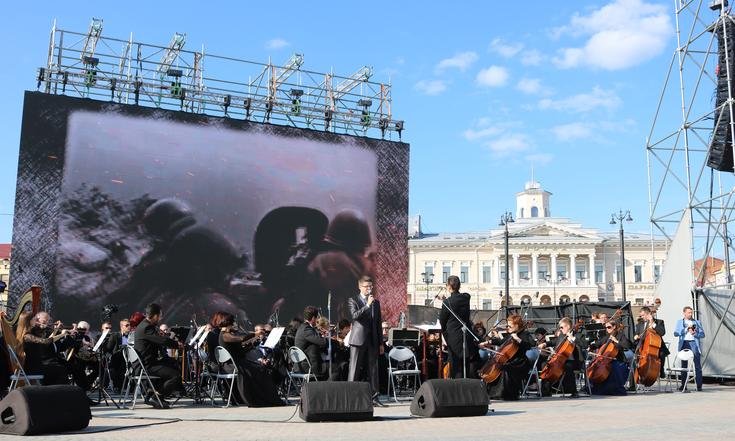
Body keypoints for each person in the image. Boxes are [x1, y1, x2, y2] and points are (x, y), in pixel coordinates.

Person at [218, 312, 284, 407]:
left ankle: (266, 397)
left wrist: (252, 344)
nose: (234, 325)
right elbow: (241, 338)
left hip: (238, 362)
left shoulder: (228, 334)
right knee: (261, 369)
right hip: (234, 365)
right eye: (233, 323)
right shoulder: (225, 335)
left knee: (262, 368)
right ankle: (262, 398)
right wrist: (255, 334)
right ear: (229, 323)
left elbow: (240, 351)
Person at [133, 303, 182, 408]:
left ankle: (154, 393)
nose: (161, 317)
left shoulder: (144, 325)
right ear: (154, 315)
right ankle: (156, 396)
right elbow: (162, 340)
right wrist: (177, 344)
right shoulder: (147, 327)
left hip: (146, 362)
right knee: (176, 375)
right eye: (160, 315)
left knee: (171, 364)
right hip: (145, 366)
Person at [479, 314, 535, 400]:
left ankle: (505, 394)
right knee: (500, 366)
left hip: (520, 363)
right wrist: (487, 343)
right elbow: (500, 341)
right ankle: (492, 393)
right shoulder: (510, 334)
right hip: (509, 361)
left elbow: (530, 345)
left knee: (504, 368)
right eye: (507, 325)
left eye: (510, 326)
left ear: (517, 325)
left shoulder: (524, 334)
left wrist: (518, 339)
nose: (507, 327)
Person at [347, 276, 383, 401]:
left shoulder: (376, 302)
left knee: (373, 369)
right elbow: (354, 316)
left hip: (372, 340)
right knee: (354, 368)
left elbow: (378, 323)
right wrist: (367, 306)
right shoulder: (353, 300)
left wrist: (381, 343)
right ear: (360, 287)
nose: (369, 289)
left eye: (371, 286)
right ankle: (350, 397)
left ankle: (375, 397)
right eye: (366, 286)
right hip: (358, 339)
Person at [439, 275, 478, 379]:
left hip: (453, 337)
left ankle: (457, 389)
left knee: (455, 365)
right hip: (466, 335)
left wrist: (444, 335)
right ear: (459, 286)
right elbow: (464, 296)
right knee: (465, 363)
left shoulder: (447, 302)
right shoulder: (466, 298)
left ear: (448, 286)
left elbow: (442, 321)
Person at [22, 312, 73, 385]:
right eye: (34, 319)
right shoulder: (27, 336)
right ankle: (59, 393)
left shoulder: (32, 332)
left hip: (37, 365)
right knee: (60, 370)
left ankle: (57, 392)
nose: (36, 321)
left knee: (61, 368)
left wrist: (56, 330)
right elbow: (46, 341)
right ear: (29, 321)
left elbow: (47, 341)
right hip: (33, 368)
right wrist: (62, 334)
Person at [538, 317, 584, 398]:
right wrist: (545, 344)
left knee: (568, 367)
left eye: (562, 327)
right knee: (546, 365)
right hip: (561, 360)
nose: (560, 329)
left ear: (568, 326)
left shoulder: (578, 335)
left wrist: (573, 339)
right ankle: (546, 390)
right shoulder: (562, 335)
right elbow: (554, 341)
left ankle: (573, 391)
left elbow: (584, 345)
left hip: (574, 361)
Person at [589, 319, 632, 396]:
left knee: (614, 367)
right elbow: (598, 343)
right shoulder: (607, 337)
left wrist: (616, 341)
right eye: (606, 327)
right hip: (606, 360)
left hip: (618, 359)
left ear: (614, 327)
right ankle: (595, 387)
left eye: (609, 327)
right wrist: (591, 346)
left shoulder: (620, 335)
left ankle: (614, 389)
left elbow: (627, 346)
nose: (607, 329)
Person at [673, 306, 704, 391]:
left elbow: (702, 334)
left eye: (691, 312)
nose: (690, 314)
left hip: (693, 343)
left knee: (697, 364)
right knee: (684, 365)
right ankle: (683, 385)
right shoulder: (680, 322)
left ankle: (699, 385)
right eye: (689, 312)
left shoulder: (696, 322)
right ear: (684, 313)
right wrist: (685, 329)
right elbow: (675, 334)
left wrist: (695, 334)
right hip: (684, 343)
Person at [633, 306, 669, 379]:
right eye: (641, 315)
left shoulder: (659, 322)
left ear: (648, 314)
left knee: (661, 354)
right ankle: (636, 378)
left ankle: (661, 369)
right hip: (643, 347)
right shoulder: (640, 324)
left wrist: (653, 323)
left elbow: (662, 332)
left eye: (643, 315)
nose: (642, 317)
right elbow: (636, 334)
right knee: (635, 356)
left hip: (657, 347)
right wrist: (636, 336)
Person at [294, 306, 328, 379]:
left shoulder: (302, 327)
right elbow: (322, 342)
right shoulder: (306, 329)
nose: (317, 320)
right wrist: (326, 337)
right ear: (313, 318)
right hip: (306, 366)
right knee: (334, 368)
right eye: (317, 318)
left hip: (303, 364)